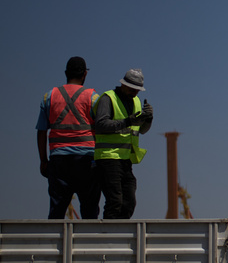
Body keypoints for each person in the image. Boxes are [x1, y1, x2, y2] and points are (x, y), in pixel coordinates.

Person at [36, 56, 102, 219]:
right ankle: (87, 243)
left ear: (66, 73)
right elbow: (102, 129)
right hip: (87, 161)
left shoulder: (49, 96)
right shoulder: (93, 97)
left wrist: (44, 161)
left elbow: (41, 132)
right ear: (85, 74)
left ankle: (54, 244)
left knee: (57, 211)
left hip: (59, 161)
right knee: (89, 211)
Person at [94, 68, 153, 219]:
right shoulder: (108, 98)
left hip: (125, 160)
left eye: (138, 90)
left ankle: (120, 235)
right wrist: (128, 121)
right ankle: (108, 238)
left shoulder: (136, 102)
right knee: (115, 201)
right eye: (133, 89)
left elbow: (141, 130)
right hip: (108, 158)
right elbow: (100, 125)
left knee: (129, 202)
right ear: (124, 85)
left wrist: (148, 119)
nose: (135, 93)